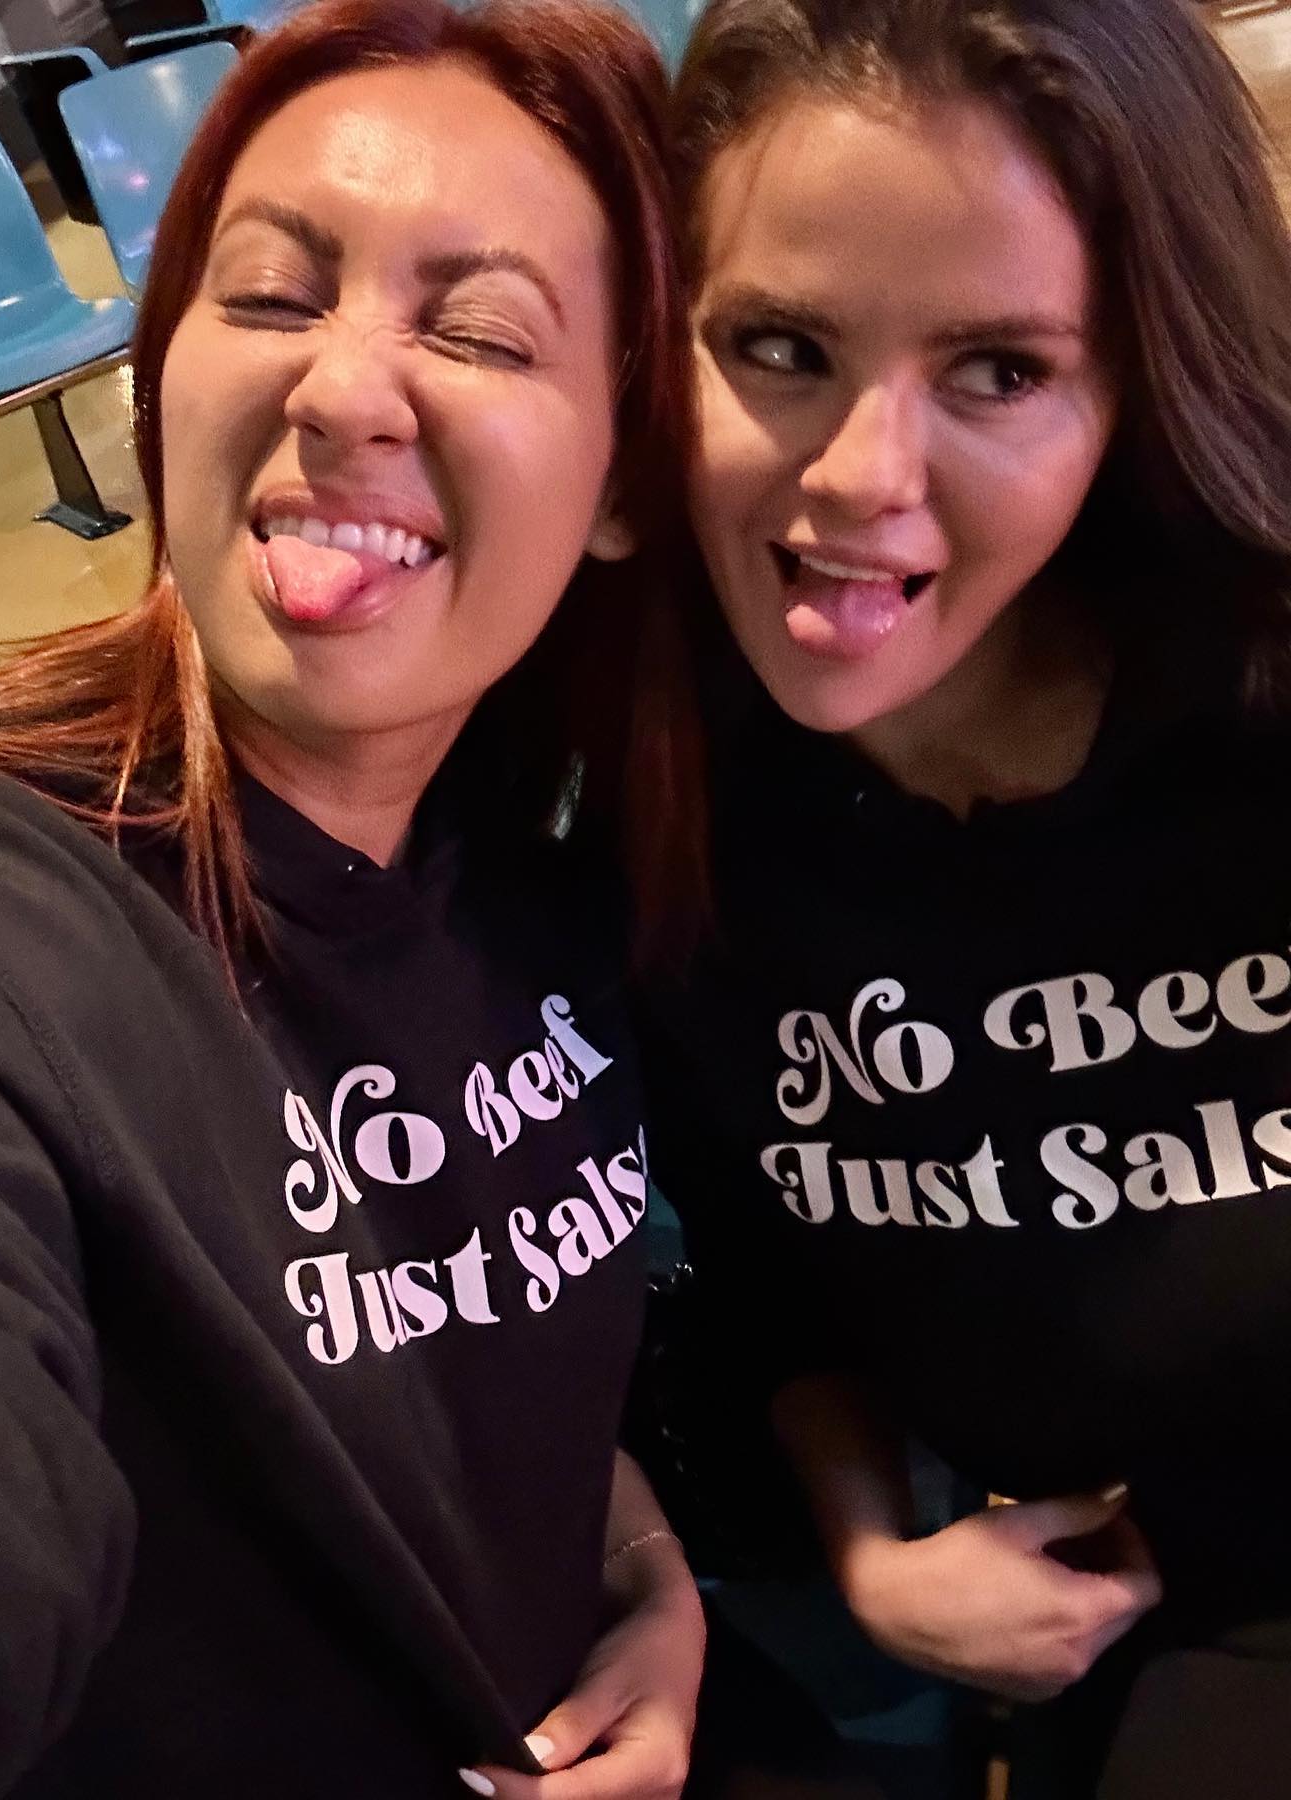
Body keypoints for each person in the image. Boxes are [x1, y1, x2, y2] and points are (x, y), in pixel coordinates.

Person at [0, 2, 707, 1794]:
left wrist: (636, 1564)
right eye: (265, 295)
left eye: (479, 330)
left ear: (625, 477)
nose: (337, 390)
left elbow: (469, 1356)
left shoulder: (530, 860)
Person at [640, 0, 1291, 1793]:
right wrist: (872, 1550)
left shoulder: (1256, 720)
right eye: (780, 347)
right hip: (1146, 1630)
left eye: (1000, 371)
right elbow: (761, 1266)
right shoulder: (660, 808)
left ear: (1136, 388)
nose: (861, 475)